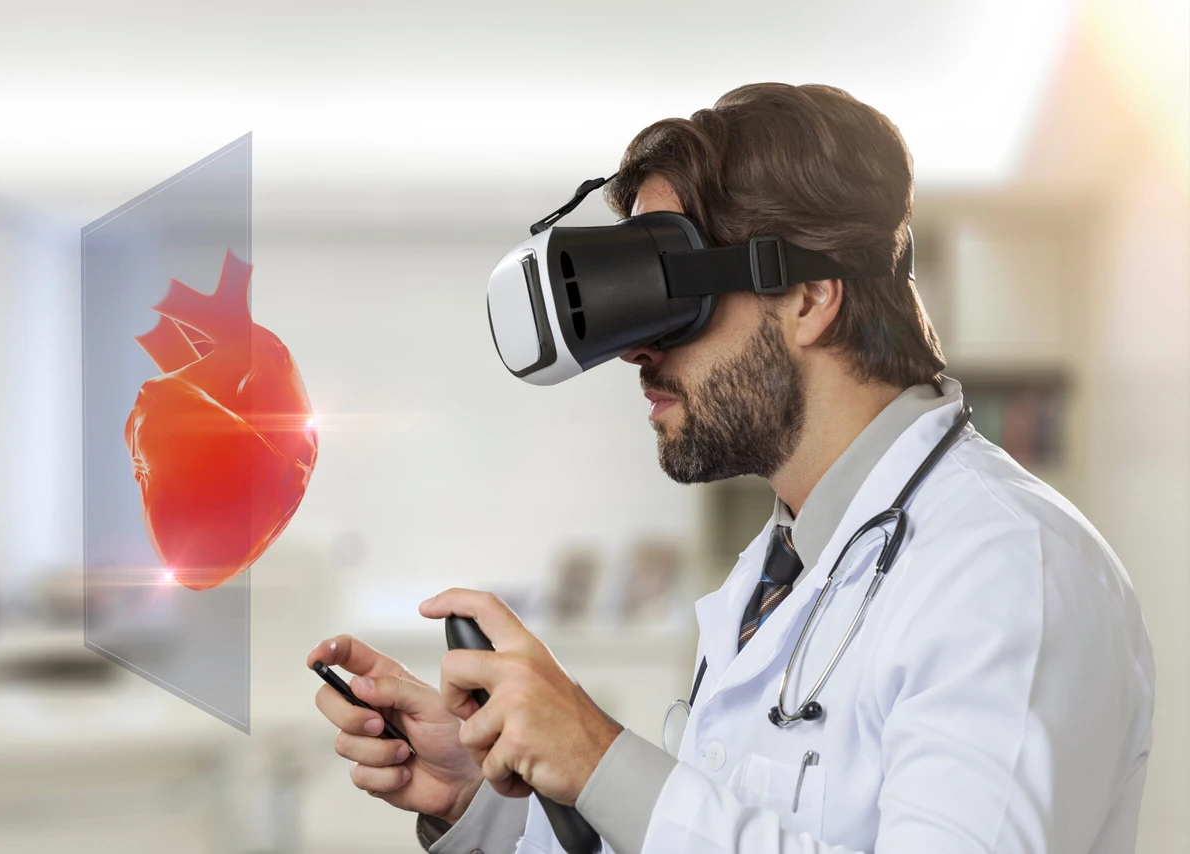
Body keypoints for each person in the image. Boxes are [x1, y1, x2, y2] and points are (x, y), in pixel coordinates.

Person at [307, 83, 1155, 854]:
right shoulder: (780, 574)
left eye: (671, 298)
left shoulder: (1007, 569)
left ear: (810, 297)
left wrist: (601, 758)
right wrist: (481, 800)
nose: (635, 348)